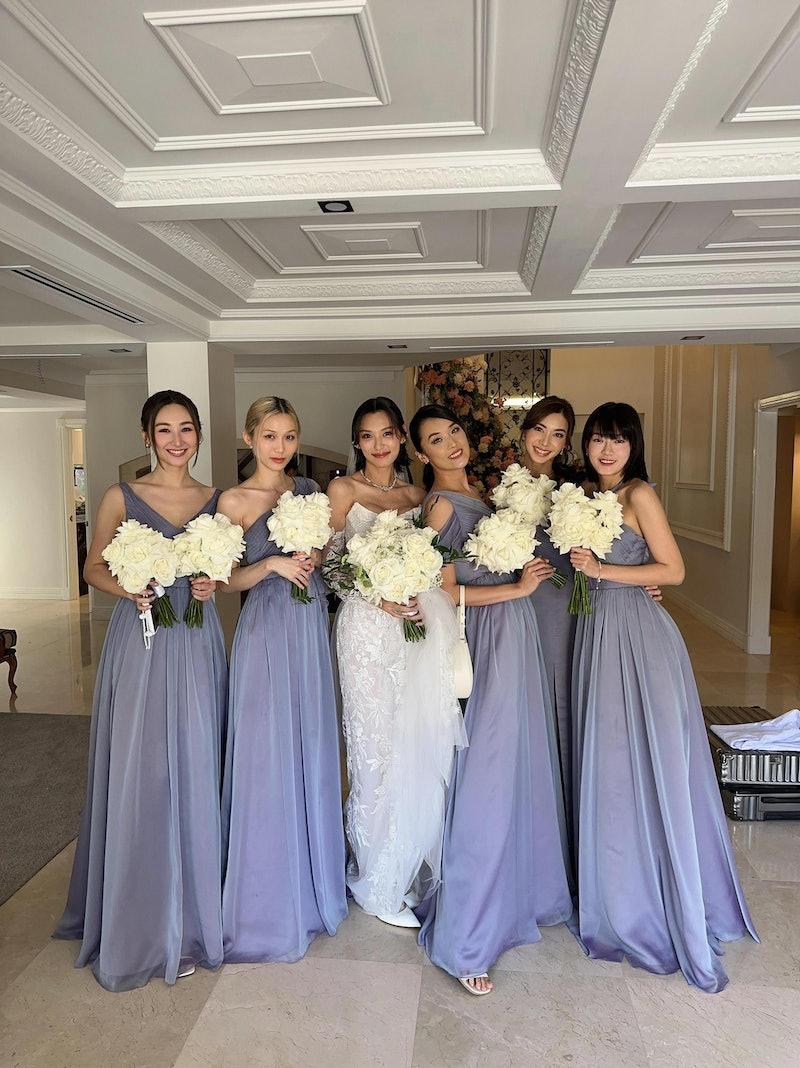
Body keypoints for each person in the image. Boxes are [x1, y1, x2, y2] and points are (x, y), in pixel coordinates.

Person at [569, 401, 758, 992]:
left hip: (637, 637)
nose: (606, 450)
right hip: (596, 631)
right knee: (610, 759)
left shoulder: (639, 494)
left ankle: (649, 891)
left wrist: (604, 572)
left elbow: (672, 570)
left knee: (642, 757)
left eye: (618, 440)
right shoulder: (585, 496)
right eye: (598, 439)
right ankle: (613, 881)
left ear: (634, 446)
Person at [54, 390, 227, 992]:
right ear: (146, 436)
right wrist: (128, 586)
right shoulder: (119, 496)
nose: (176, 440)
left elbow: (223, 570)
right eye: (164, 429)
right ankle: (143, 918)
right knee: (144, 766)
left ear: (198, 435)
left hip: (197, 639)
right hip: (144, 638)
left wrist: (209, 583)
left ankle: (193, 913)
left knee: (196, 762)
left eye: (186, 428)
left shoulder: (215, 499)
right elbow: (93, 567)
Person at [409, 403, 572, 995]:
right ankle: (469, 938)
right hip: (489, 640)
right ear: (421, 454)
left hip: (516, 635)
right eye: (435, 438)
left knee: (517, 763)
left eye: (454, 430)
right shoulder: (441, 505)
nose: (451, 442)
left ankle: (524, 893)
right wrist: (516, 589)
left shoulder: (485, 493)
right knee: (488, 771)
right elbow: (434, 588)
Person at [327, 397, 465, 929]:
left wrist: (412, 596)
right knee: (372, 749)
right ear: (357, 442)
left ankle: (402, 864)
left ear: (402, 437)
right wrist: (376, 597)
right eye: (368, 436)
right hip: (364, 629)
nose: (379, 444)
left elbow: (435, 566)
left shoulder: (417, 496)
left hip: (411, 629)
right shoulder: (343, 490)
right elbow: (329, 565)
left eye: (387, 433)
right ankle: (374, 880)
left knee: (409, 745)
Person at [218, 396, 347, 962]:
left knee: (310, 741)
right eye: (269, 436)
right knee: (267, 747)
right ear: (250, 438)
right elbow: (223, 580)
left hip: (310, 622)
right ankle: (266, 888)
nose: (280, 447)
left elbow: (327, 556)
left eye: (290, 436)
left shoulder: (311, 492)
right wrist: (271, 563)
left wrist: (314, 557)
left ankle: (315, 877)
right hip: (266, 627)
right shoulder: (233, 500)